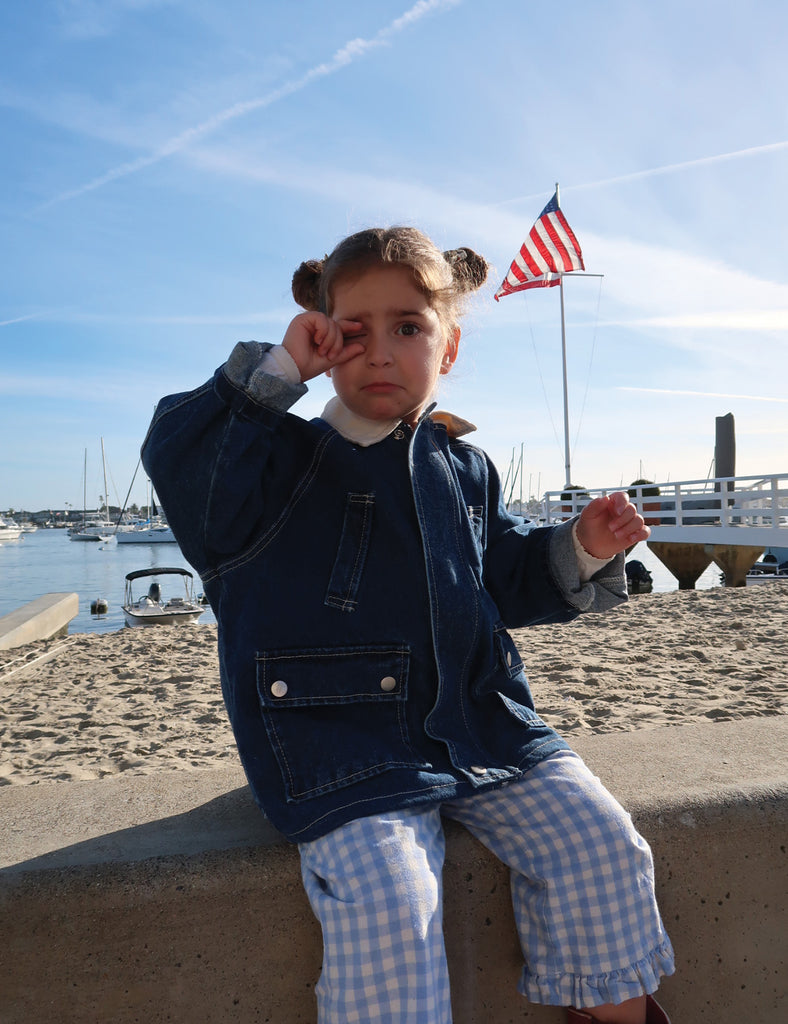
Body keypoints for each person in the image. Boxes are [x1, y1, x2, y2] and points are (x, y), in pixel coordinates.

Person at [142, 226, 675, 1024]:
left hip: (483, 725)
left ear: (448, 347)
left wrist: (580, 547)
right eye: (353, 332)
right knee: (394, 906)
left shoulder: (464, 466)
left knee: (603, 847)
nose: (381, 352)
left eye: (408, 328)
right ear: (324, 339)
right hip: (339, 745)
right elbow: (183, 464)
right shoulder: (280, 463)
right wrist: (279, 371)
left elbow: (499, 578)